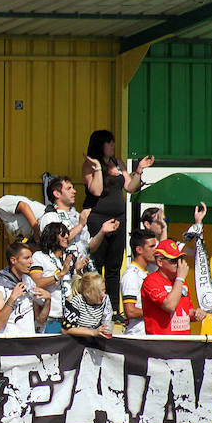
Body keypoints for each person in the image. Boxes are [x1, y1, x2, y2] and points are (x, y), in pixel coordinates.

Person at [82, 130, 155, 316]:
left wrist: (139, 170)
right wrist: (99, 168)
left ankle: (114, 309)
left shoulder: (118, 162)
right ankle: (95, 307)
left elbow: (130, 187)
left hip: (119, 218)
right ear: (100, 145)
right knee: (96, 264)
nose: (112, 145)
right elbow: (96, 191)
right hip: (98, 218)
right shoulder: (90, 165)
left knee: (114, 265)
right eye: (109, 143)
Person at [38, 175, 114, 274]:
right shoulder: (50, 216)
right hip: (63, 275)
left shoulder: (77, 216)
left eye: (73, 188)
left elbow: (89, 246)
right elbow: (54, 242)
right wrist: (80, 225)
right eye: (68, 188)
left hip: (83, 273)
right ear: (57, 194)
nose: (74, 191)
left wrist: (102, 231)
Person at [30, 222, 89, 334]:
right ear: (52, 236)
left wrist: (78, 271)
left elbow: (76, 289)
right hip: (50, 318)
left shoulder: (69, 257)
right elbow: (35, 283)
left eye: (67, 234)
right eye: (62, 234)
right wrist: (61, 274)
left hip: (70, 318)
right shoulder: (40, 257)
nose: (67, 236)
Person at [140, 239, 206, 335]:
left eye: (180, 259)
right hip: (162, 343)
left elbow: (186, 311)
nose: (178, 264)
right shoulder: (152, 281)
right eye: (174, 260)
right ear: (160, 262)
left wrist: (197, 314)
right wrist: (180, 278)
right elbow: (169, 306)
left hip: (184, 342)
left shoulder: (180, 281)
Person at [0, 242, 51, 336]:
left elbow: (40, 320)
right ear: (13, 260)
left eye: (31, 257)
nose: (31, 261)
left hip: (28, 342)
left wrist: (47, 301)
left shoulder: (29, 281)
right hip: (10, 344)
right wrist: (12, 298)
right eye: (26, 258)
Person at [120, 229, 159, 335]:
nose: (155, 250)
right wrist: (157, 312)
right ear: (139, 250)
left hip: (150, 335)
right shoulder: (131, 275)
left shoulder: (151, 271)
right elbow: (130, 311)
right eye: (151, 247)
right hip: (137, 338)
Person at [61, 273, 113, 339]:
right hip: (77, 343)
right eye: (99, 292)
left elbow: (106, 324)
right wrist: (92, 332)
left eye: (104, 291)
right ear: (88, 293)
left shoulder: (105, 300)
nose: (103, 295)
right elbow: (65, 329)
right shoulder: (77, 302)